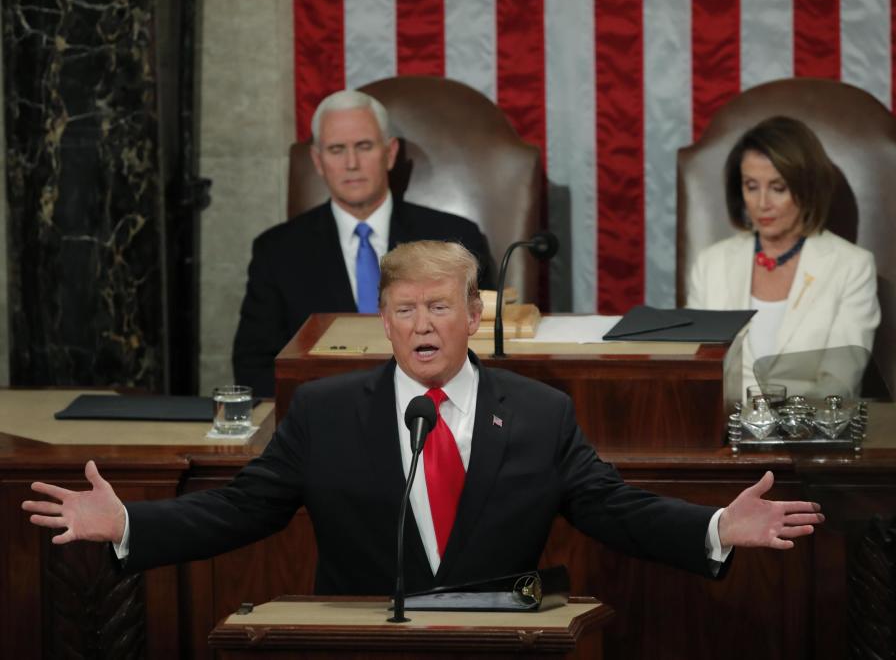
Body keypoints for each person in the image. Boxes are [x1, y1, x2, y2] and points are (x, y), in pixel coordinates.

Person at [24, 241, 823, 596]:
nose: (423, 325)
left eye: (439, 306)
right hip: (359, 646)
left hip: (504, 645)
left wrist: (715, 526)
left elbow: (615, 510)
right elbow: (239, 508)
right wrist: (130, 521)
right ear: (384, 319)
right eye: (404, 309)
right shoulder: (329, 412)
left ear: (472, 313)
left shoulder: (539, 413)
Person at [232, 89, 496, 398]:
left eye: (364, 146)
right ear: (318, 161)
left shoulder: (452, 237)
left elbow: (485, 346)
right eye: (336, 149)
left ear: (390, 153)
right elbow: (254, 366)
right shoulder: (277, 251)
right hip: (325, 421)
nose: (352, 163)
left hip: (434, 411)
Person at [686, 116, 880, 395]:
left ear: (807, 188)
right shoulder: (711, 264)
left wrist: (768, 422)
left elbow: (839, 386)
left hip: (807, 432)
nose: (762, 203)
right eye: (751, 186)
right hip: (723, 432)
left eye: (778, 188)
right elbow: (697, 375)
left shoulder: (852, 266)